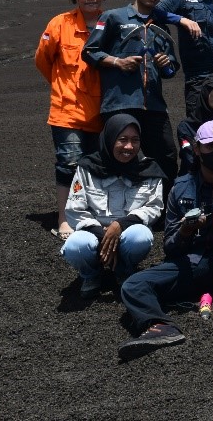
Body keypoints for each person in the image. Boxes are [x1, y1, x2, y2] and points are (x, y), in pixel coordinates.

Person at [117, 120, 213, 357]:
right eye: (211, 146)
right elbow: (170, 247)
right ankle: (159, 325)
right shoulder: (180, 187)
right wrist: (185, 232)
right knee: (133, 285)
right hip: (195, 263)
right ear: (197, 149)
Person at [83, 0, 180, 184]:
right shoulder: (112, 18)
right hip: (120, 104)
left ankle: (164, 213)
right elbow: (89, 52)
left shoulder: (161, 25)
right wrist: (118, 61)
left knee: (166, 157)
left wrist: (166, 63)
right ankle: (114, 212)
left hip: (154, 106)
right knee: (118, 159)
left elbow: (172, 69)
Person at [36, 0, 107, 240]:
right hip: (67, 110)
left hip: (102, 111)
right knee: (68, 164)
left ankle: (93, 214)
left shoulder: (110, 23)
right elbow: (43, 60)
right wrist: (60, 85)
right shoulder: (60, 24)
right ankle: (64, 219)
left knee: (98, 165)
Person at [61, 113, 164, 297]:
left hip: (129, 230)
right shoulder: (87, 168)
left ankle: (124, 269)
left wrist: (120, 225)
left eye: (135, 140)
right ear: (109, 139)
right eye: (122, 139)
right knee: (75, 245)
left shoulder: (149, 170)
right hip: (93, 231)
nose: (129, 146)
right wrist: (104, 236)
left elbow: (154, 207)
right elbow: (75, 209)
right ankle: (91, 274)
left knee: (141, 237)